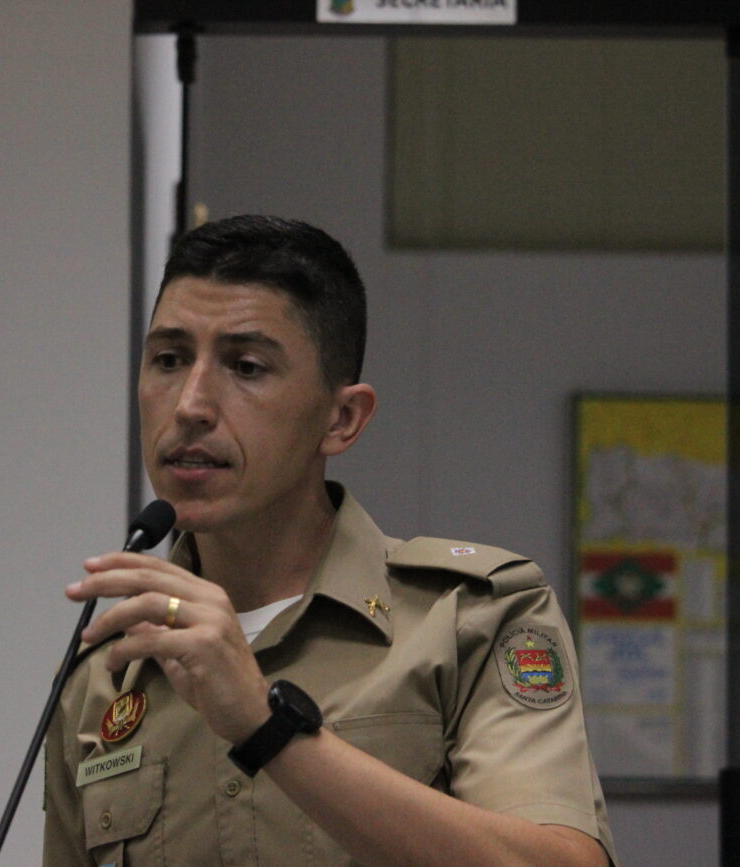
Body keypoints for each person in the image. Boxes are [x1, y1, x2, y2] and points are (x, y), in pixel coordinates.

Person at [44, 215, 617, 866]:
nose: (190, 404)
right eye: (169, 359)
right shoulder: (108, 673)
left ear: (342, 419)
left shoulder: (471, 617)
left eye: (247, 365)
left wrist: (271, 727)